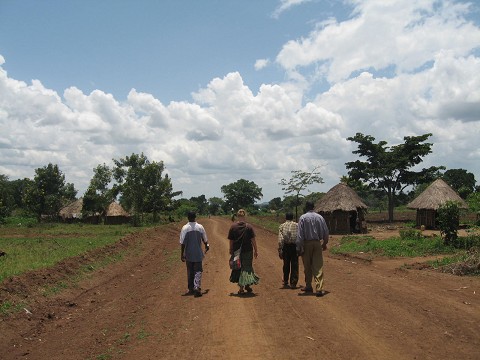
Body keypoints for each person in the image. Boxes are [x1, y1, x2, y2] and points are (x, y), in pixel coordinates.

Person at [296, 201, 329, 297]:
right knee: (318, 266)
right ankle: (319, 288)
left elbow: (300, 235)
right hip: (317, 243)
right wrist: (324, 244)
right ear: (313, 207)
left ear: (306, 207)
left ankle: (308, 285)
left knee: (307, 266)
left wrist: (299, 247)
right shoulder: (320, 217)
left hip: (306, 244)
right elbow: (326, 232)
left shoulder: (303, 218)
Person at [228, 209, 259, 294]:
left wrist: (230, 249)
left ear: (238, 216)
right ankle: (246, 286)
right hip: (248, 251)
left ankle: (242, 288)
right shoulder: (249, 227)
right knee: (247, 268)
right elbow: (253, 240)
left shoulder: (233, 227)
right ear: (244, 216)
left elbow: (231, 240)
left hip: (237, 251)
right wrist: (256, 250)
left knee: (239, 268)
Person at [180, 211, 209, 297]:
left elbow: (182, 243)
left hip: (189, 254)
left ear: (188, 217)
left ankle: (191, 288)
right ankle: (197, 287)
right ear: (195, 217)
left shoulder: (185, 228)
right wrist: (207, 245)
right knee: (198, 271)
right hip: (198, 253)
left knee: (190, 271)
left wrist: (182, 254)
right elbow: (205, 239)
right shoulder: (200, 227)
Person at [278, 212, 299, 289]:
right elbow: (299, 237)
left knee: (286, 264)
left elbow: (280, 239)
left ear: (285, 217)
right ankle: (293, 283)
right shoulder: (297, 225)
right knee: (294, 264)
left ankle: (286, 280)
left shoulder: (282, 226)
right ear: (292, 217)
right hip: (294, 247)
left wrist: (280, 249)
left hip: (286, 247)